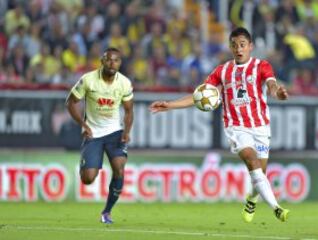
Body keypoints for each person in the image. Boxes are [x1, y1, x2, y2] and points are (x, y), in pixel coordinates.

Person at [149, 27, 290, 222]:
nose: (238, 49)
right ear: (230, 48)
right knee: (251, 159)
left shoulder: (261, 66)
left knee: (260, 173)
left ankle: (251, 200)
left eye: (242, 45)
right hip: (236, 126)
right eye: (234, 45)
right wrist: (170, 105)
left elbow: (271, 85)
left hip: (261, 126)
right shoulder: (222, 71)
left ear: (250, 46)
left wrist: (278, 93)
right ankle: (277, 208)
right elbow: (199, 96)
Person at [66, 47, 134, 224]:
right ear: (102, 61)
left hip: (115, 133)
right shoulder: (88, 80)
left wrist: (126, 132)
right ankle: (87, 163)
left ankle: (107, 212)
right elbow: (70, 102)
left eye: (116, 60)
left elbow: (128, 111)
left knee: (119, 167)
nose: (113, 63)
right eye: (109, 60)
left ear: (120, 63)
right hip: (93, 133)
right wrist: (83, 124)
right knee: (88, 179)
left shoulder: (125, 83)